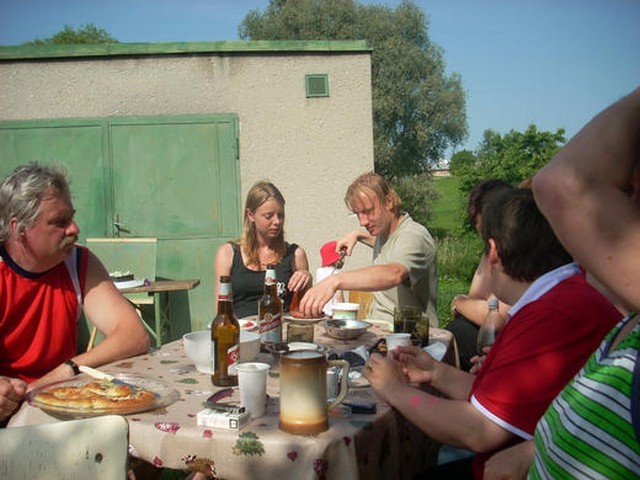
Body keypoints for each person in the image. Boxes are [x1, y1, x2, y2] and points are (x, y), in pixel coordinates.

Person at [362, 188, 622, 479]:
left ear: (494, 253)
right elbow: (497, 401)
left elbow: (478, 430)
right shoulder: (561, 296)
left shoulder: (551, 314)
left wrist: (395, 390)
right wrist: (435, 372)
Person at [483, 87, 640, 479]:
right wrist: (529, 453)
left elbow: (562, 184)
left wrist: (398, 390)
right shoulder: (626, 324)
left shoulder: (558, 306)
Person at [0, 163, 150, 422]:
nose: (74, 229)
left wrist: (69, 368)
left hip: (61, 403)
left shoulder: (78, 262)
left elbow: (135, 335)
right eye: (60, 222)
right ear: (18, 228)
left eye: (71, 217)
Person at [299, 172, 438, 327]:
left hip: (411, 334)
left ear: (388, 202)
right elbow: (390, 248)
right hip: (379, 329)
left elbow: (394, 274)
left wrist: (335, 280)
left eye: (368, 211)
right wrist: (358, 235)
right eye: (357, 214)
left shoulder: (414, 235)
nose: (362, 222)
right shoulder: (384, 235)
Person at [214, 181, 312, 318]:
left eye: (280, 215)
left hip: (281, 327)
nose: (277, 221)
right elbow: (221, 310)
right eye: (268, 216)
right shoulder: (228, 253)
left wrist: (307, 279)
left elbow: (305, 310)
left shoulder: (295, 255)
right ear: (250, 215)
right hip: (241, 328)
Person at [447, 179, 513, 371]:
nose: (487, 239)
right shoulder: (491, 249)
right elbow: (476, 295)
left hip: (507, 346)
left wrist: (459, 302)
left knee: (456, 332)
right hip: (490, 343)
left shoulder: (519, 254)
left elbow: (497, 313)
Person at [315, 240, 345, 316]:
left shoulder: (319, 271)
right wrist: (343, 309)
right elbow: (339, 295)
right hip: (334, 312)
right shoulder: (338, 273)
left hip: (321, 310)